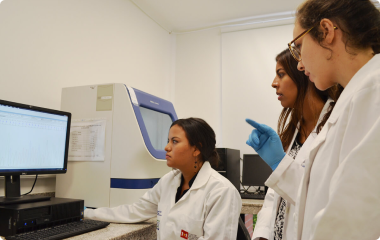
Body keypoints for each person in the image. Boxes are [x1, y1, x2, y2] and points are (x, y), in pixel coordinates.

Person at [247, 0, 380, 239]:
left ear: (327, 32)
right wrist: (281, 165)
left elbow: (350, 222)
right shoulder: (356, 96)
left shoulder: (373, 91)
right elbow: (318, 197)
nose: (299, 62)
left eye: (298, 45)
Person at [85, 118, 242, 240]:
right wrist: (87, 213)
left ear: (196, 149)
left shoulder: (222, 192)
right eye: (168, 141)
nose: (167, 147)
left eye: (175, 141)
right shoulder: (169, 181)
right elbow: (133, 211)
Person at [250, 49, 341, 240]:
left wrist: (280, 165)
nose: (274, 83)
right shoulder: (291, 132)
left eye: (281, 74)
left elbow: (321, 197)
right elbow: (274, 196)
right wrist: (262, 235)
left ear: (304, 74)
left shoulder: (337, 124)